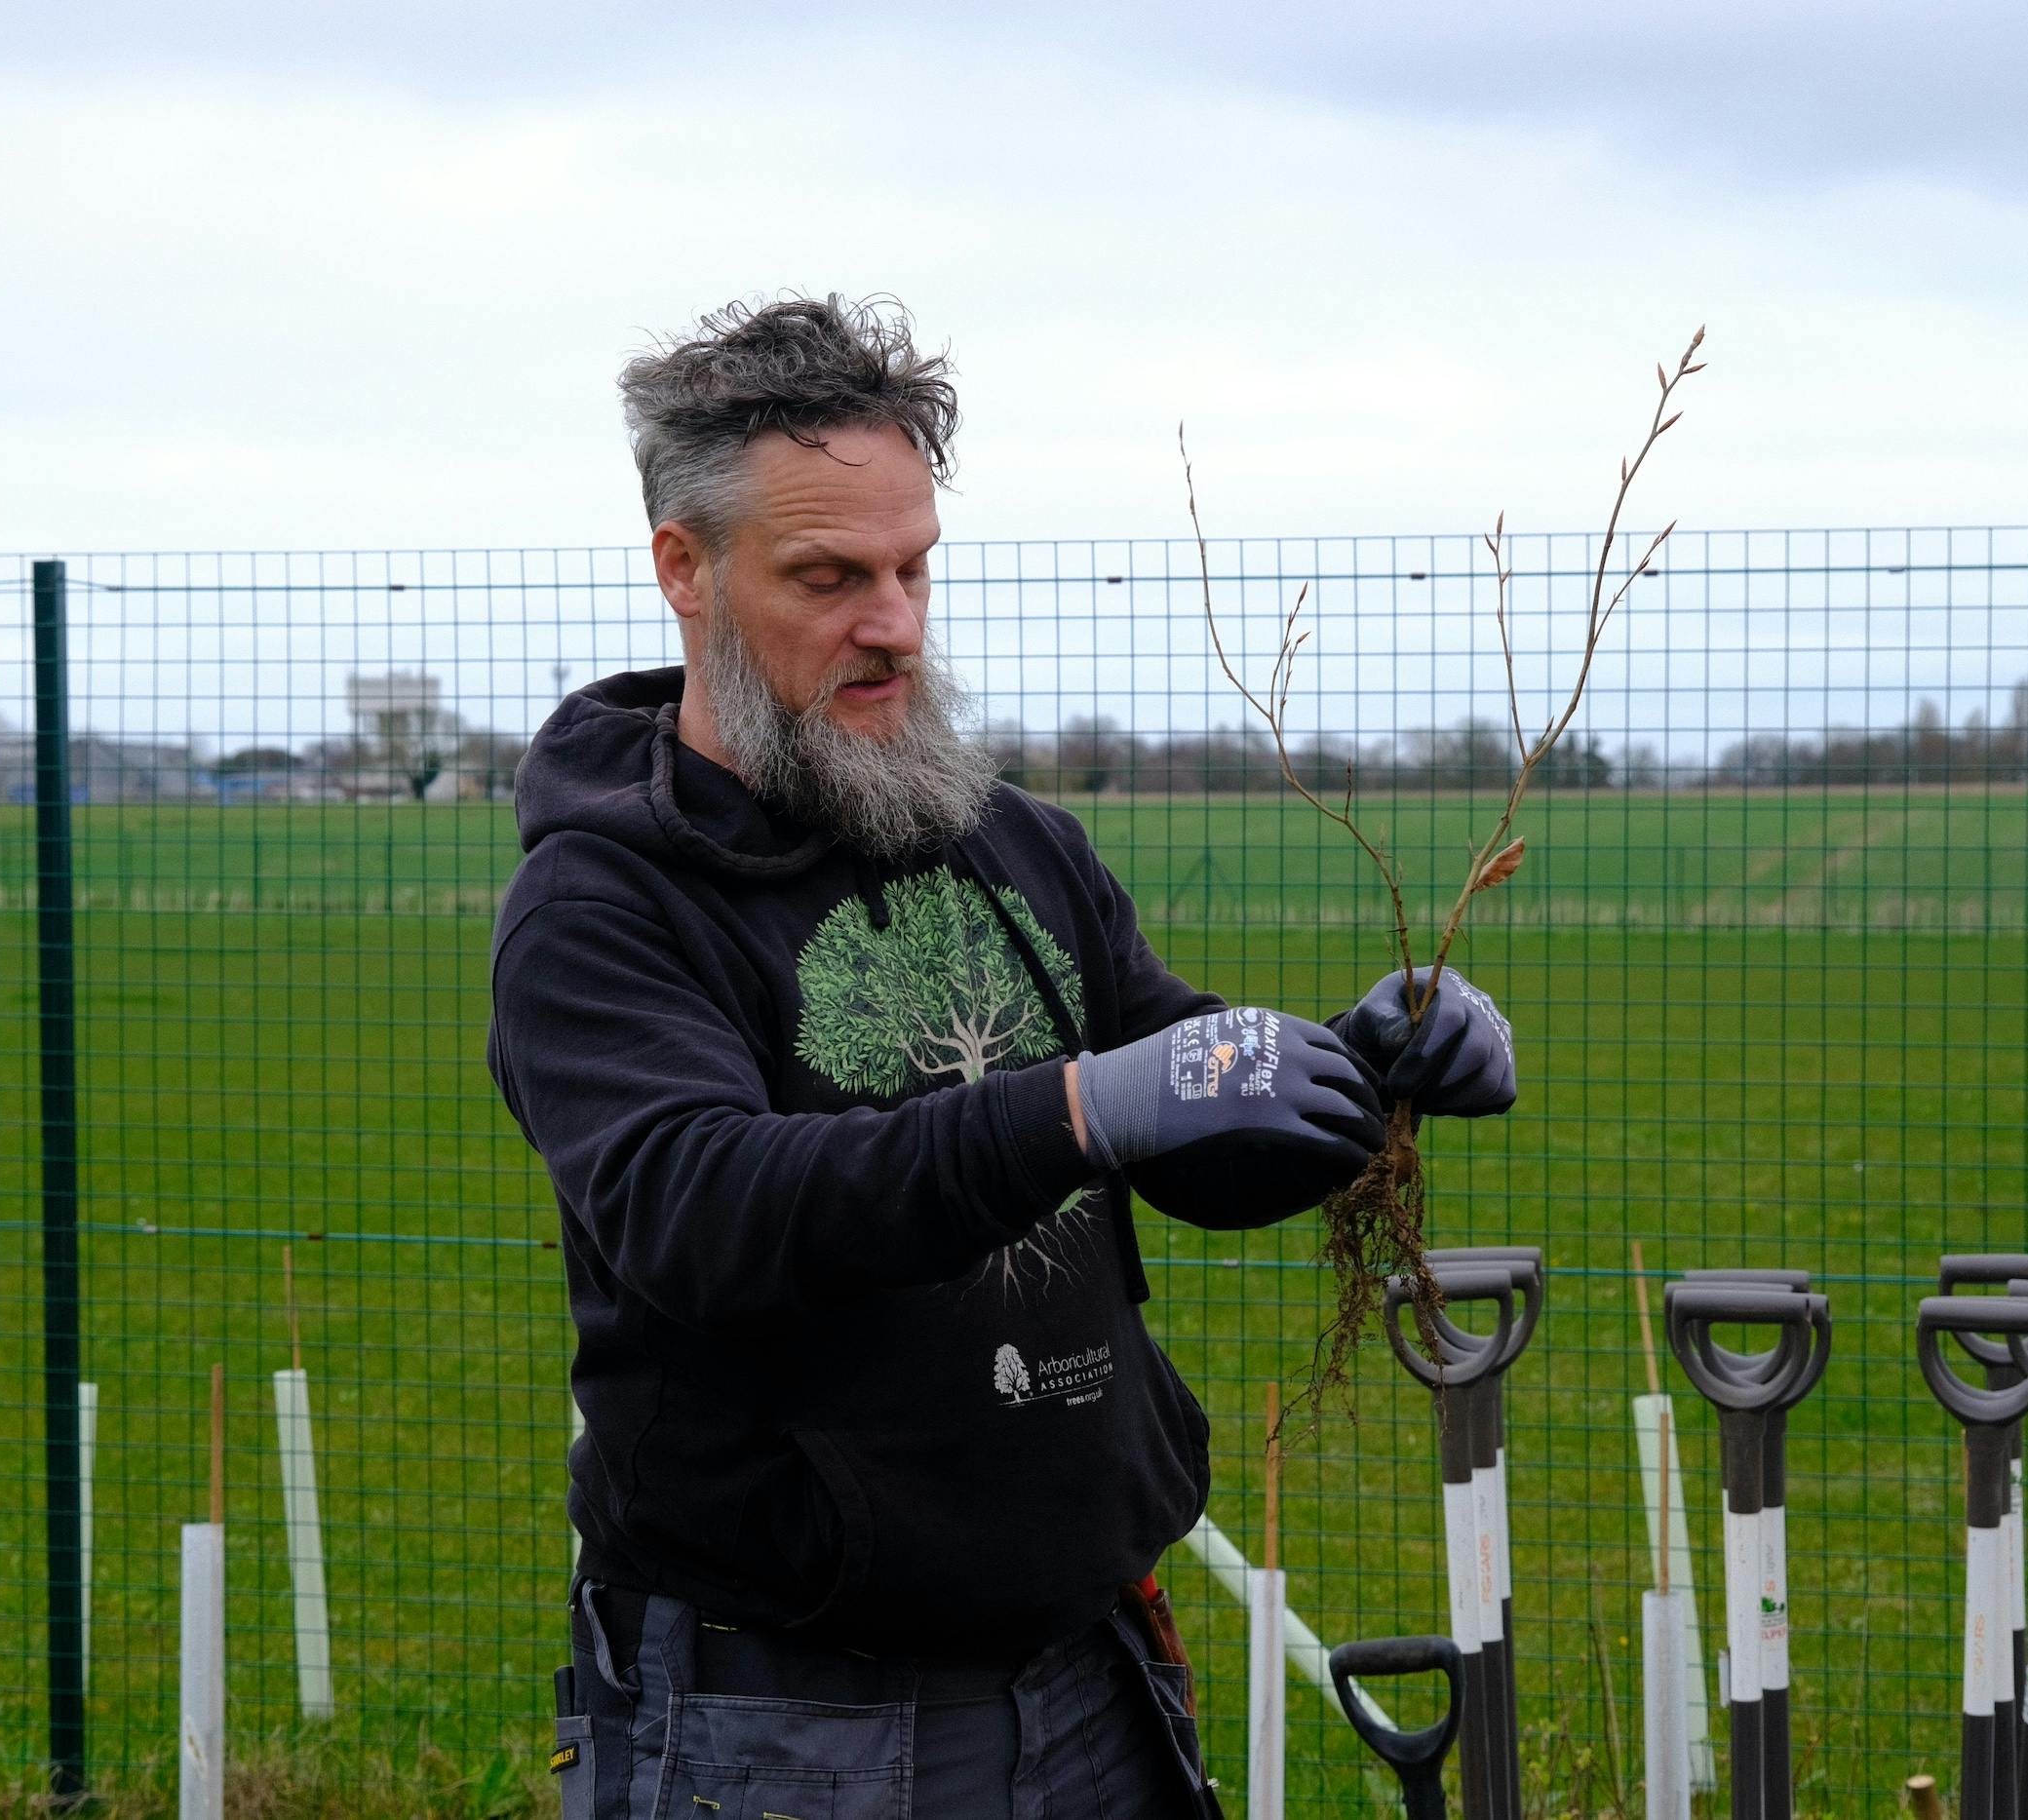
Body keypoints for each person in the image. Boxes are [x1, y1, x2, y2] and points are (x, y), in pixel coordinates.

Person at [487, 293, 1517, 1819]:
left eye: (913, 570)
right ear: (684, 570)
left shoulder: (1002, 837)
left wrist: (1349, 1076)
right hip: (786, 1715)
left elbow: (1177, 1108)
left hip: (1088, 1670)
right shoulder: (602, 905)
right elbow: (699, 1208)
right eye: (829, 577)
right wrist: (1084, 1105)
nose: (894, 622)